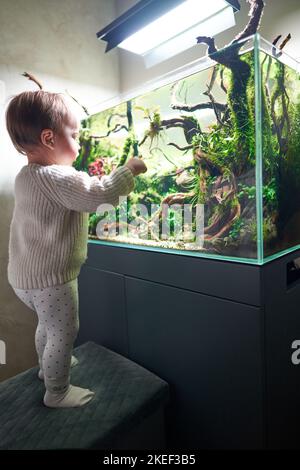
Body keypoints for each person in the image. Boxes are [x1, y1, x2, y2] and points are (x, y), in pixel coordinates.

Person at [5, 90, 147, 408]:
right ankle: (57, 391)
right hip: (51, 279)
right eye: (74, 134)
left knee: (48, 324)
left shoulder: (26, 176)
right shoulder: (56, 176)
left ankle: (46, 368)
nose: (79, 141)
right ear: (49, 138)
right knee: (64, 330)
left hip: (24, 279)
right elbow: (101, 195)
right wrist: (129, 169)